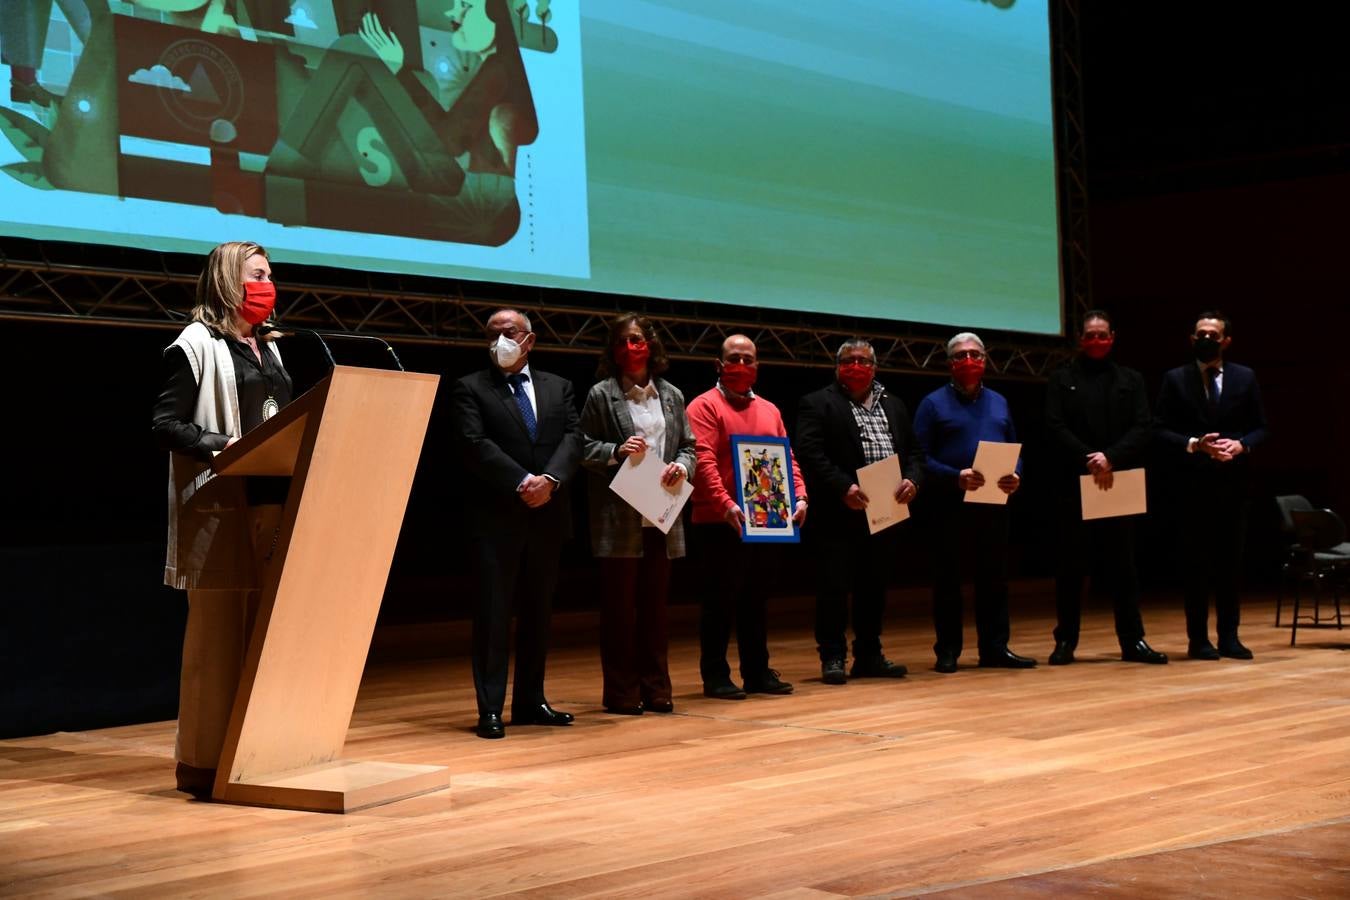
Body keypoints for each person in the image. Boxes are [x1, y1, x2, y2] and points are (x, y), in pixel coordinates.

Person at [151, 240, 291, 798]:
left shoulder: (271, 348)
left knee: (263, 634)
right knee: (216, 639)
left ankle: (257, 751)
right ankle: (205, 765)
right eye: (258, 274)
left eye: (270, 275)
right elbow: (165, 423)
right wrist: (224, 445)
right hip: (219, 503)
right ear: (229, 280)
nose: (268, 284)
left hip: (274, 504)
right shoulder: (195, 345)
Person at [451, 309, 582, 738]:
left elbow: (572, 439)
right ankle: (490, 708)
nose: (499, 340)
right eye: (492, 334)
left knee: (537, 614)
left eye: (508, 333)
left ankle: (531, 701)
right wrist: (522, 481)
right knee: (493, 614)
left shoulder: (558, 386)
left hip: (548, 514)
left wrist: (551, 480)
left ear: (529, 340)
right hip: (496, 518)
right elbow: (473, 443)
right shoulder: (470, 387)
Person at [579, 314, 697, 715]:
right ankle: (621, 692)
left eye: (638, 341)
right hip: (620, 515)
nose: (631, 348)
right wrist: (615, 451)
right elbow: (582, 447)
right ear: (613, 351)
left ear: (651, 346)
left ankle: (657, 688)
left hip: (662, 512)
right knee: (618, 611)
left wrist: (682, 467)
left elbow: (689, 448)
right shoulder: (601, 394)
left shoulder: (673, 395)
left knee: (655, 610)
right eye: (623, 342)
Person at [795, 339, 924, 684]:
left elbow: (913, 452)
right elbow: (809, 452)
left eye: (863, 360)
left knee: (874, 587)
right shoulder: (817, 403)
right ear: (837, 367)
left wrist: (912, 479)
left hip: (885, 511)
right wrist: (843, 487)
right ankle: (833, 656)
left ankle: (869, 655)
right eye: (849, 360)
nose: (856, 366)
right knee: (834, 587)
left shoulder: (894, 404)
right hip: (839, 512)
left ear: (875, 367)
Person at [687, 335, 807, 699]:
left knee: (757, 600)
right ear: (718, 365)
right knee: (719, 602)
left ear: (757, 366)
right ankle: (716, 675)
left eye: (748, 359)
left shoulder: (770, 410)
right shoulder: (704, 406)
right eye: (733, 358)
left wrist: (800, 496)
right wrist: (725, 504)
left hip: (766, 520)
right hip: (719, 521)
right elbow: (703, 461)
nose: (741, 365)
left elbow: (788, 460)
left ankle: (757, 672)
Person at [1044, 311, 1168, 665]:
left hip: (1117, 481)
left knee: (1123, 566)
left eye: (1102, 335)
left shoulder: (1131, 379)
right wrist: (1088, 456)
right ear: (1080, 339)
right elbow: (1053, 425)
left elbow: (1144, 425)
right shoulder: (1061, 378)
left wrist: (1111, 456)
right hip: (1074, 484)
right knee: (1070, 567)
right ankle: (1065, 640)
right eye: (1090, 335)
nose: (1096, 341)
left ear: (1113, 337)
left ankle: (1133, 640)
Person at [913, 332, 1037, 674]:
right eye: (961, 355)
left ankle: (995, 648)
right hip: (950, 505)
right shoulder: (932, 404)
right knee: (949, 580)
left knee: (994, 579)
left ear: (985, 361)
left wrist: (1018, 475)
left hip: (994, 502)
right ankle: (948, 650)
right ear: (950, 363)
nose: (969, 361)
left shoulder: (999, 401)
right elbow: (919, 457)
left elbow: (1015, 448)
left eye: (975, 355)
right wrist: (955, 477)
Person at [1155, 310, 1269, 660]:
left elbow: (1261, 427)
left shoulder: (1245, 377)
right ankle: (1198, 640)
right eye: (1200, 334)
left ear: (1226, 341)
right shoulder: (1175, 379)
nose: (1206, 339)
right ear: (1192, 339)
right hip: (1192, 488)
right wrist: (1194, 444)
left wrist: (1241, 445)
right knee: (1195, 566)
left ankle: (1230, 637)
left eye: (1213, 335)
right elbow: (1158, 428)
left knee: (1230, 566)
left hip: (1233, 487)